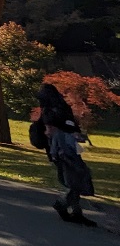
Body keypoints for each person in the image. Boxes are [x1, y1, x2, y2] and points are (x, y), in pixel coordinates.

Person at [37, 83, 97, 227]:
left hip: (58, 150)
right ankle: (71, 208)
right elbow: (73, 127)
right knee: (76, 178)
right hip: (69, 148)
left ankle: (69, 208)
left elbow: (49, 132)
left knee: (72, 180)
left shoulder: (48, 111)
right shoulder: (63, 108)